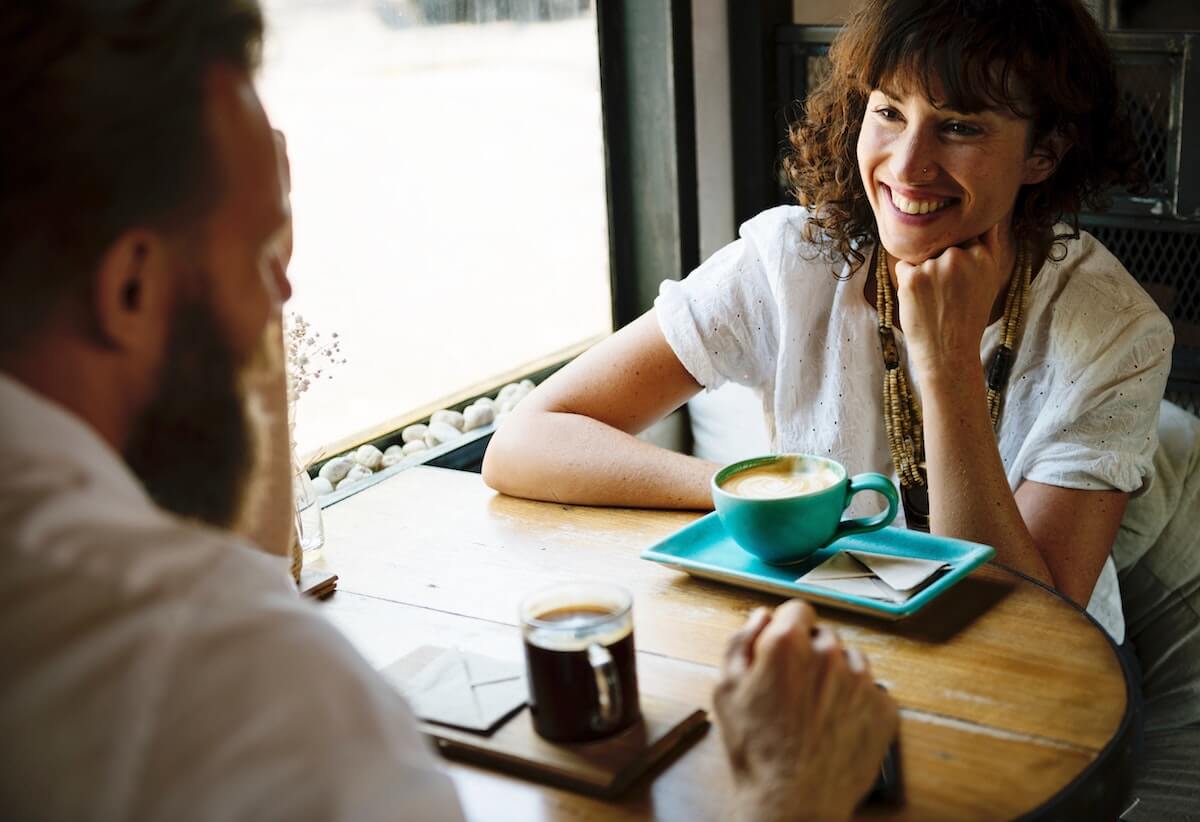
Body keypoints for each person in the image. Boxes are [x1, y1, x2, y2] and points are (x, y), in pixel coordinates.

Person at [0, 2, 896, 820]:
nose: (284, 300)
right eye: (262, 258)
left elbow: (235, 567)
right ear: (129, 287)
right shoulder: (257, 691)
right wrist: (788, 794)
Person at [483, 0, 1175, 646]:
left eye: (960, 125)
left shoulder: (1118, 331)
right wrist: (762, 501)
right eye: (890, 112)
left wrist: (947, 363)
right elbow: (523, 443)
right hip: (832, 640)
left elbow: (1028, 629)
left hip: (1045, 687)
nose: (907, 166)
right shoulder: (793, 261)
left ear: (1042, 154)